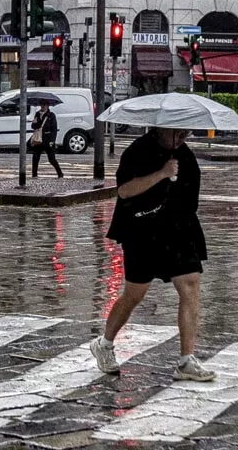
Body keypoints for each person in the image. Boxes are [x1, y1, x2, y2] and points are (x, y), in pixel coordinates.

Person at [90, 127, 216, 382]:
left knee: (190, 285)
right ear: (161, 129)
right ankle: (104, 343)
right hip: (142, 231)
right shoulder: (137, 151)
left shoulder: (185, 155)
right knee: (135, 293)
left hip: (179, 230)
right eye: (178, 134)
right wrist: (162, 174)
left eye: (186, 135)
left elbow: (191, 193)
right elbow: (124, 190)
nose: (182, 139)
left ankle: (186, 360)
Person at [30, 100, 63, 179]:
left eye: (45, 104)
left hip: (47, 140)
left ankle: (60, 173)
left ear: (48, 106)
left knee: (51, 159)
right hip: (38, 139)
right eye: (42, 104)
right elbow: (33, 127)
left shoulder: (51, 115)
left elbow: (54, 129)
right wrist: (35, 122)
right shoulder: (37, 114)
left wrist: (52, 141)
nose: (43, 106)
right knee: (35, 157)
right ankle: (34, 174)